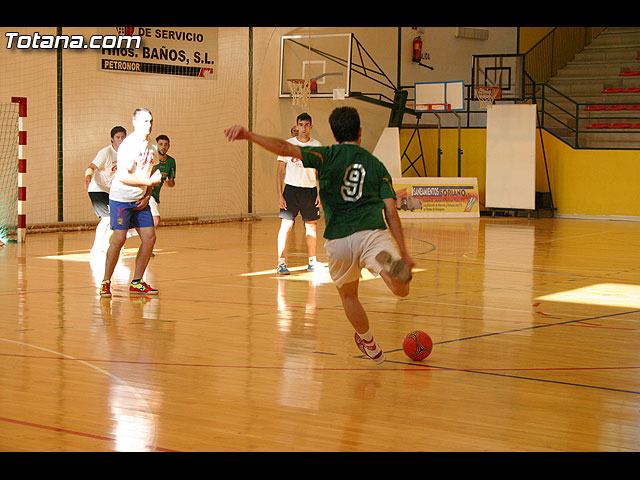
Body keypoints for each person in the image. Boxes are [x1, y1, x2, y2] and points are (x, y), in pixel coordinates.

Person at [225, 106, 414, 365]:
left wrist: (249, 135)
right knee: (401, 290)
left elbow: (285, 148)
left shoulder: (325, 154)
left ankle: (368, 341)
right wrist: (404, 251)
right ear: (360, 131)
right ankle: (392, 269)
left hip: (340, 241)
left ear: (335, 134)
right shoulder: (376, 165)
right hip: (372, 234)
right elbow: (391, 210)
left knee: (350, 296)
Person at [100, 108, 162, 298]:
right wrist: (148, 182)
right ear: (135, 123)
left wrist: (147, 195)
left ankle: (137, 281)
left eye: (151, 121)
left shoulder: (152, 146)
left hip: (140, 199)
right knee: (119, 239)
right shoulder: (128, 145)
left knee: (150, 238)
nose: (149, 125)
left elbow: (152, 172)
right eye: (145, 121)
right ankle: (106, 281)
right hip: (121, 199)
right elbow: (123, 176)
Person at [276, 113, 322, 275]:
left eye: (306, 125)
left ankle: (312, 262)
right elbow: (280, 172)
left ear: (311, 127)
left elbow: (321, 172)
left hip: (310, 190)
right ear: (297, 126)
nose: (303, 128)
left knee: (311, 227)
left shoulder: (317, 146)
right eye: (301, 125)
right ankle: (281, 263)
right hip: (291, 190)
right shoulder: (288, 145)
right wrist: (280, 195)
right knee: (286, 226)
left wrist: (321, 193)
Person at [85, 126, 126, 256]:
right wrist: (88, 177)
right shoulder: (105, 152)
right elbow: (91, 167)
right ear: (112, 139)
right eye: (118, 137)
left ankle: (104, 244)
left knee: (116, 218)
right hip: (97, 188)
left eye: (123, 137)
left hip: (112, 190)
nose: (121, 140)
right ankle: (95, 248)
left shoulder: (126, 153)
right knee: (107, 217)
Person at [149, 134, 176, 228]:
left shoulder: (171, 161)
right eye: (160, 144)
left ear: (169, 146)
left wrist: (169, 183)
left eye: (165, 144)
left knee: (150, 222)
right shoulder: (151, 159)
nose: (163, 147)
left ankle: (130, 233)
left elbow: (172, 182)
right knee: (155, 220)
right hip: (148, 194)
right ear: (156, 146)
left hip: (156, 195)